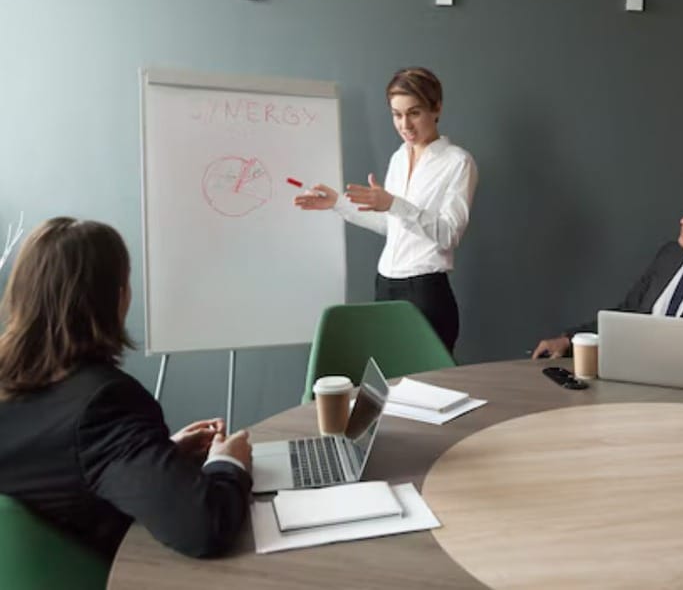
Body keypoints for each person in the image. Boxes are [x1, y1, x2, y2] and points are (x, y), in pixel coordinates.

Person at [0, 218, 252, 561]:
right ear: (118, 298)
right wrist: (228, 464)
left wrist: (160, 455)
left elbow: (64, 468)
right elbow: (205, 528)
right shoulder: (105, 404)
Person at [294, 67, 478, 353]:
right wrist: (337, 204)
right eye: (397, 114)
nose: (405, 124)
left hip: (426, 290)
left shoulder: (457, 162)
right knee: (388, 385)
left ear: (437, 107)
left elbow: (449, 234)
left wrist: (393, 203)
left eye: (414, 113)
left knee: (428, 388)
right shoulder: (398, 158)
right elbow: (392, 226)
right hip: (385, 285)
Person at [532, 176, 683, 368]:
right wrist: (570, 340)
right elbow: (628, 313)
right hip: (628, 371)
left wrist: (634, 350)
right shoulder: (670, 255)